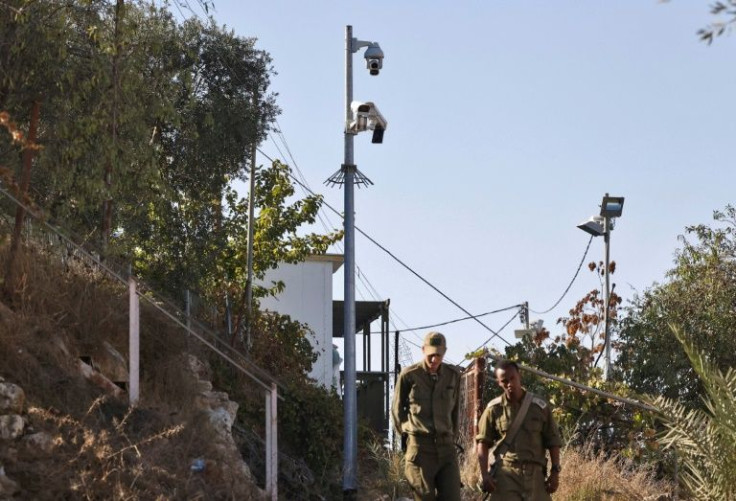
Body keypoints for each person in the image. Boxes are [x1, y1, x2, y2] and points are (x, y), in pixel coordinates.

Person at [475, 359, 562, 500]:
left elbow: (553, 441)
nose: (510, 384)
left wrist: (555, 472)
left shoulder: (540, 407)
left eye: (512, 378)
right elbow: (483, 442)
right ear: (498, 382)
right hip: (506, 475)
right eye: (504, 381)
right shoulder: (493, 409)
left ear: (519, 376)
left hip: (535, 476)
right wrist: (485, 475)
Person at [391, 331, 462, 501]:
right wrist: (408, 436)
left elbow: (455, 410)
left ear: (444, 352)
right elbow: (397, 411)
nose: (434, 360)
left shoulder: (453, 376)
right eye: (430, 355)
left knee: (452, 497)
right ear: (423, 350)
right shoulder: (409, 375)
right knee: (425, 497)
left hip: (446, 449)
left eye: (438, 355)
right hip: (420, 449)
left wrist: (453, 436)